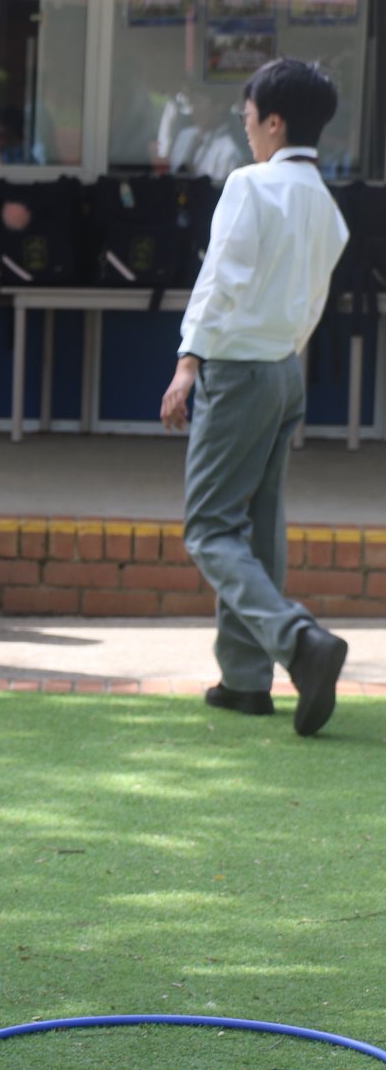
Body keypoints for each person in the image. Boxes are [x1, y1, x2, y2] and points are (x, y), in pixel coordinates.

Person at [159, 58, 350, 737]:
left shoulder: (251, 185)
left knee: (210, 527)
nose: (244, 126)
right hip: (283, 370)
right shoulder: (326, 204)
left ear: (274, 121)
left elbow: (220, 281)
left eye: (248, 115)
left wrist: (188, 362)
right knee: (262, 524)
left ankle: (297, 641)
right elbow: (310, 301)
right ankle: (245, 680)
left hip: (237, 368)